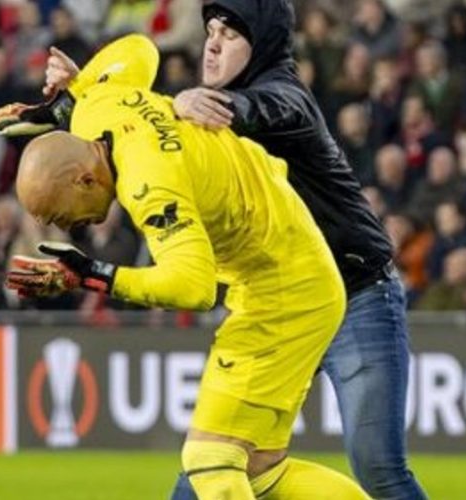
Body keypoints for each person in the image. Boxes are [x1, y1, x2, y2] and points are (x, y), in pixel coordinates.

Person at [40, 2, 424, 497]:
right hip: (275, 301)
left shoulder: (283, 97)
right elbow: (136, 120)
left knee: (377, 467)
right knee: (221, 468)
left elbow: (263, 109)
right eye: (210, 31)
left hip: (358, 296)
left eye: (231, 34)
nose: (213, 43)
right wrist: (83, 91)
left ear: (261, 43)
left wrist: (210, 106)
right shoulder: (189, 116)